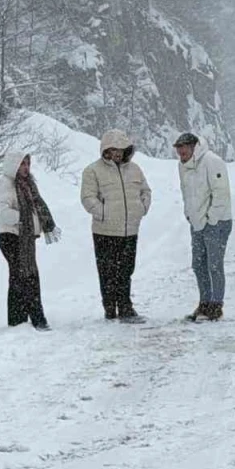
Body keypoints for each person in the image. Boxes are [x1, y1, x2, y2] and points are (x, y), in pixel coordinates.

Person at [80, 129, 152, 323]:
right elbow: (87, 198)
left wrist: (142, 208)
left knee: (126, 270)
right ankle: (110, 308)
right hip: (105, 231)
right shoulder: (93, 171)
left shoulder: (135, 169)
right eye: (114, 149)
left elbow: (145, 191)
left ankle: (126, 307)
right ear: (106, 149)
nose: (118, 153)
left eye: (121, 149)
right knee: (107, 272)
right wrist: (104, 213)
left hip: (130, 230)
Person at [0, 151, 60, 330]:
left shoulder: (28, 185)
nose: (25, 168)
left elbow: (36, 208)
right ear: (13, 165)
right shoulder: (5, 185)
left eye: (27, 164)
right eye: (22, 164)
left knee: (23, 277)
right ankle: (36, 319)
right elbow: (2, 212)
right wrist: (23, 219)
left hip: (25, 238)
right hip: (11, 237)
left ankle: (18, 320)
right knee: (25, 278)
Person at [174, 132, 232, 321]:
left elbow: (221, 192)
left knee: (214, 264)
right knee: (198, 264)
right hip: (197, 222)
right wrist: (189, 214)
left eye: (183, 148)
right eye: (178, 149)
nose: (180, 153)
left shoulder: (212, 161)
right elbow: (186, 192)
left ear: (194, 147)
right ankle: (204, 303)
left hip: (217, 221)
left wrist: (211, 218)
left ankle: (216, 305)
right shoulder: (182, 166)